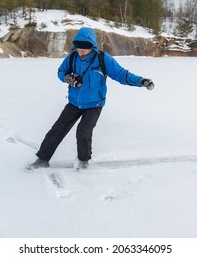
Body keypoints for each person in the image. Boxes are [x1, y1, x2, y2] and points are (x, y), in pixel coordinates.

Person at [26, 27, 154, 170]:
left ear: (92, 46)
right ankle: (42, 159)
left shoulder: (102, 59)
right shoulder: (73, 57)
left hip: (94, 104)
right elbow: (61, 72)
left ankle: (83, 161)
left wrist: (141, 81)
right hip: (74, 102)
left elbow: (121, 74)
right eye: (78, 48)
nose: (80, 52)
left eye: (83, 49)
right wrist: (68, 78)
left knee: (83, 132)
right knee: (57, 129)